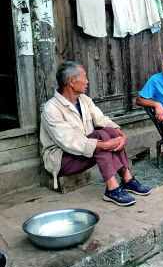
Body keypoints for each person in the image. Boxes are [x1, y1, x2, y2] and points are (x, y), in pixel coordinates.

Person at [40, 61, 150, 206]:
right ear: (71, 81)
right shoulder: (51, 108)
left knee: (110, 131)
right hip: (62, 160)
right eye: (84, 77)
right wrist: (103, 145)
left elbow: (102, 119)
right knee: (101, 137)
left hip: (84, 152)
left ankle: (127, 179)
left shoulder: (84, 100)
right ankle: (112, 188)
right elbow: (69, 142)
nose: (87, 81)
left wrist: (120, 135)